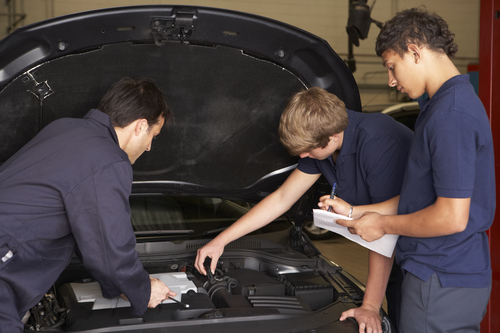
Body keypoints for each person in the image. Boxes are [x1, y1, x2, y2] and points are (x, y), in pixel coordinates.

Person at [327, 8, 494, 333]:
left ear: (415, 52)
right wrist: (359, 212)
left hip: (439, 273)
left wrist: (384, 225)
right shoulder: (443, 106)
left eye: (392, 67)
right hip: (445, 272)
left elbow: (451, 217)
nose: (391, 80)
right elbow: (422, 197)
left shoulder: (451, 116)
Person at [195, 87, 413, 333]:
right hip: (394, 250)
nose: (303, 155)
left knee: (411, 321)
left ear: (332, 135)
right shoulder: (321, 138)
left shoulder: (377, 141)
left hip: (423, 252)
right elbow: (283, 198)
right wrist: (221, 240)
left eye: (308, 150)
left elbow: (383, 225)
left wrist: (371, 306)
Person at [0, 77, 176, 332]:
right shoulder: (107, 159)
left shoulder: (63, 128)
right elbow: (109, 244)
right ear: (140, 126)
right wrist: (143, 289)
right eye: (153, 136)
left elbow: (89, 228)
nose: (149, 147)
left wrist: (124, 285)